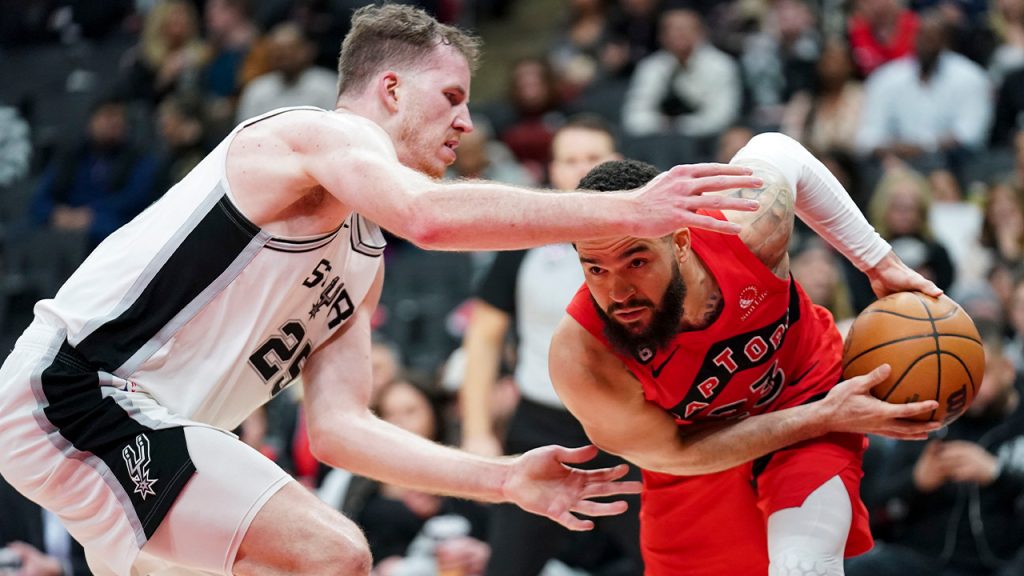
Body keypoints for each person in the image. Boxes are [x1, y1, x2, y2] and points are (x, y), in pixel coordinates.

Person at [0, 5, 764, 576]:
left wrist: (502, 480)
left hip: (143, 431)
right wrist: (631, 208)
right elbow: (428, 218)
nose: (467, 121)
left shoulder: (363, 254)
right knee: (335, 555)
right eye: (452, 97)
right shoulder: (313, 135)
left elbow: (340, 431)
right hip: (78, 395)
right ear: (390, 90)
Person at [549, 132, 944, 576]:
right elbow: (673, 453)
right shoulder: (583, 357)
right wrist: (826, 417)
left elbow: (780, 148)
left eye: (636, 262)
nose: (617, 291)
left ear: (680, 241)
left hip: (802, 391)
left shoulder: (744, 226)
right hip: (700, 459)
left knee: (804, 565)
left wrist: (877, 261)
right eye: (595, 268)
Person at [460, 115, 643, 576]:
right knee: (509, 566)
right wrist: (478, 430)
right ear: (552, 172)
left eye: (593, 157)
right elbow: (483, 339)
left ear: (618, 164)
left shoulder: (651, 241)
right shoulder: (525, 240)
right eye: (569, 160)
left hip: (636, 432)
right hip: (539, 430)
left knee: (666, 562)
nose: (581, 169)